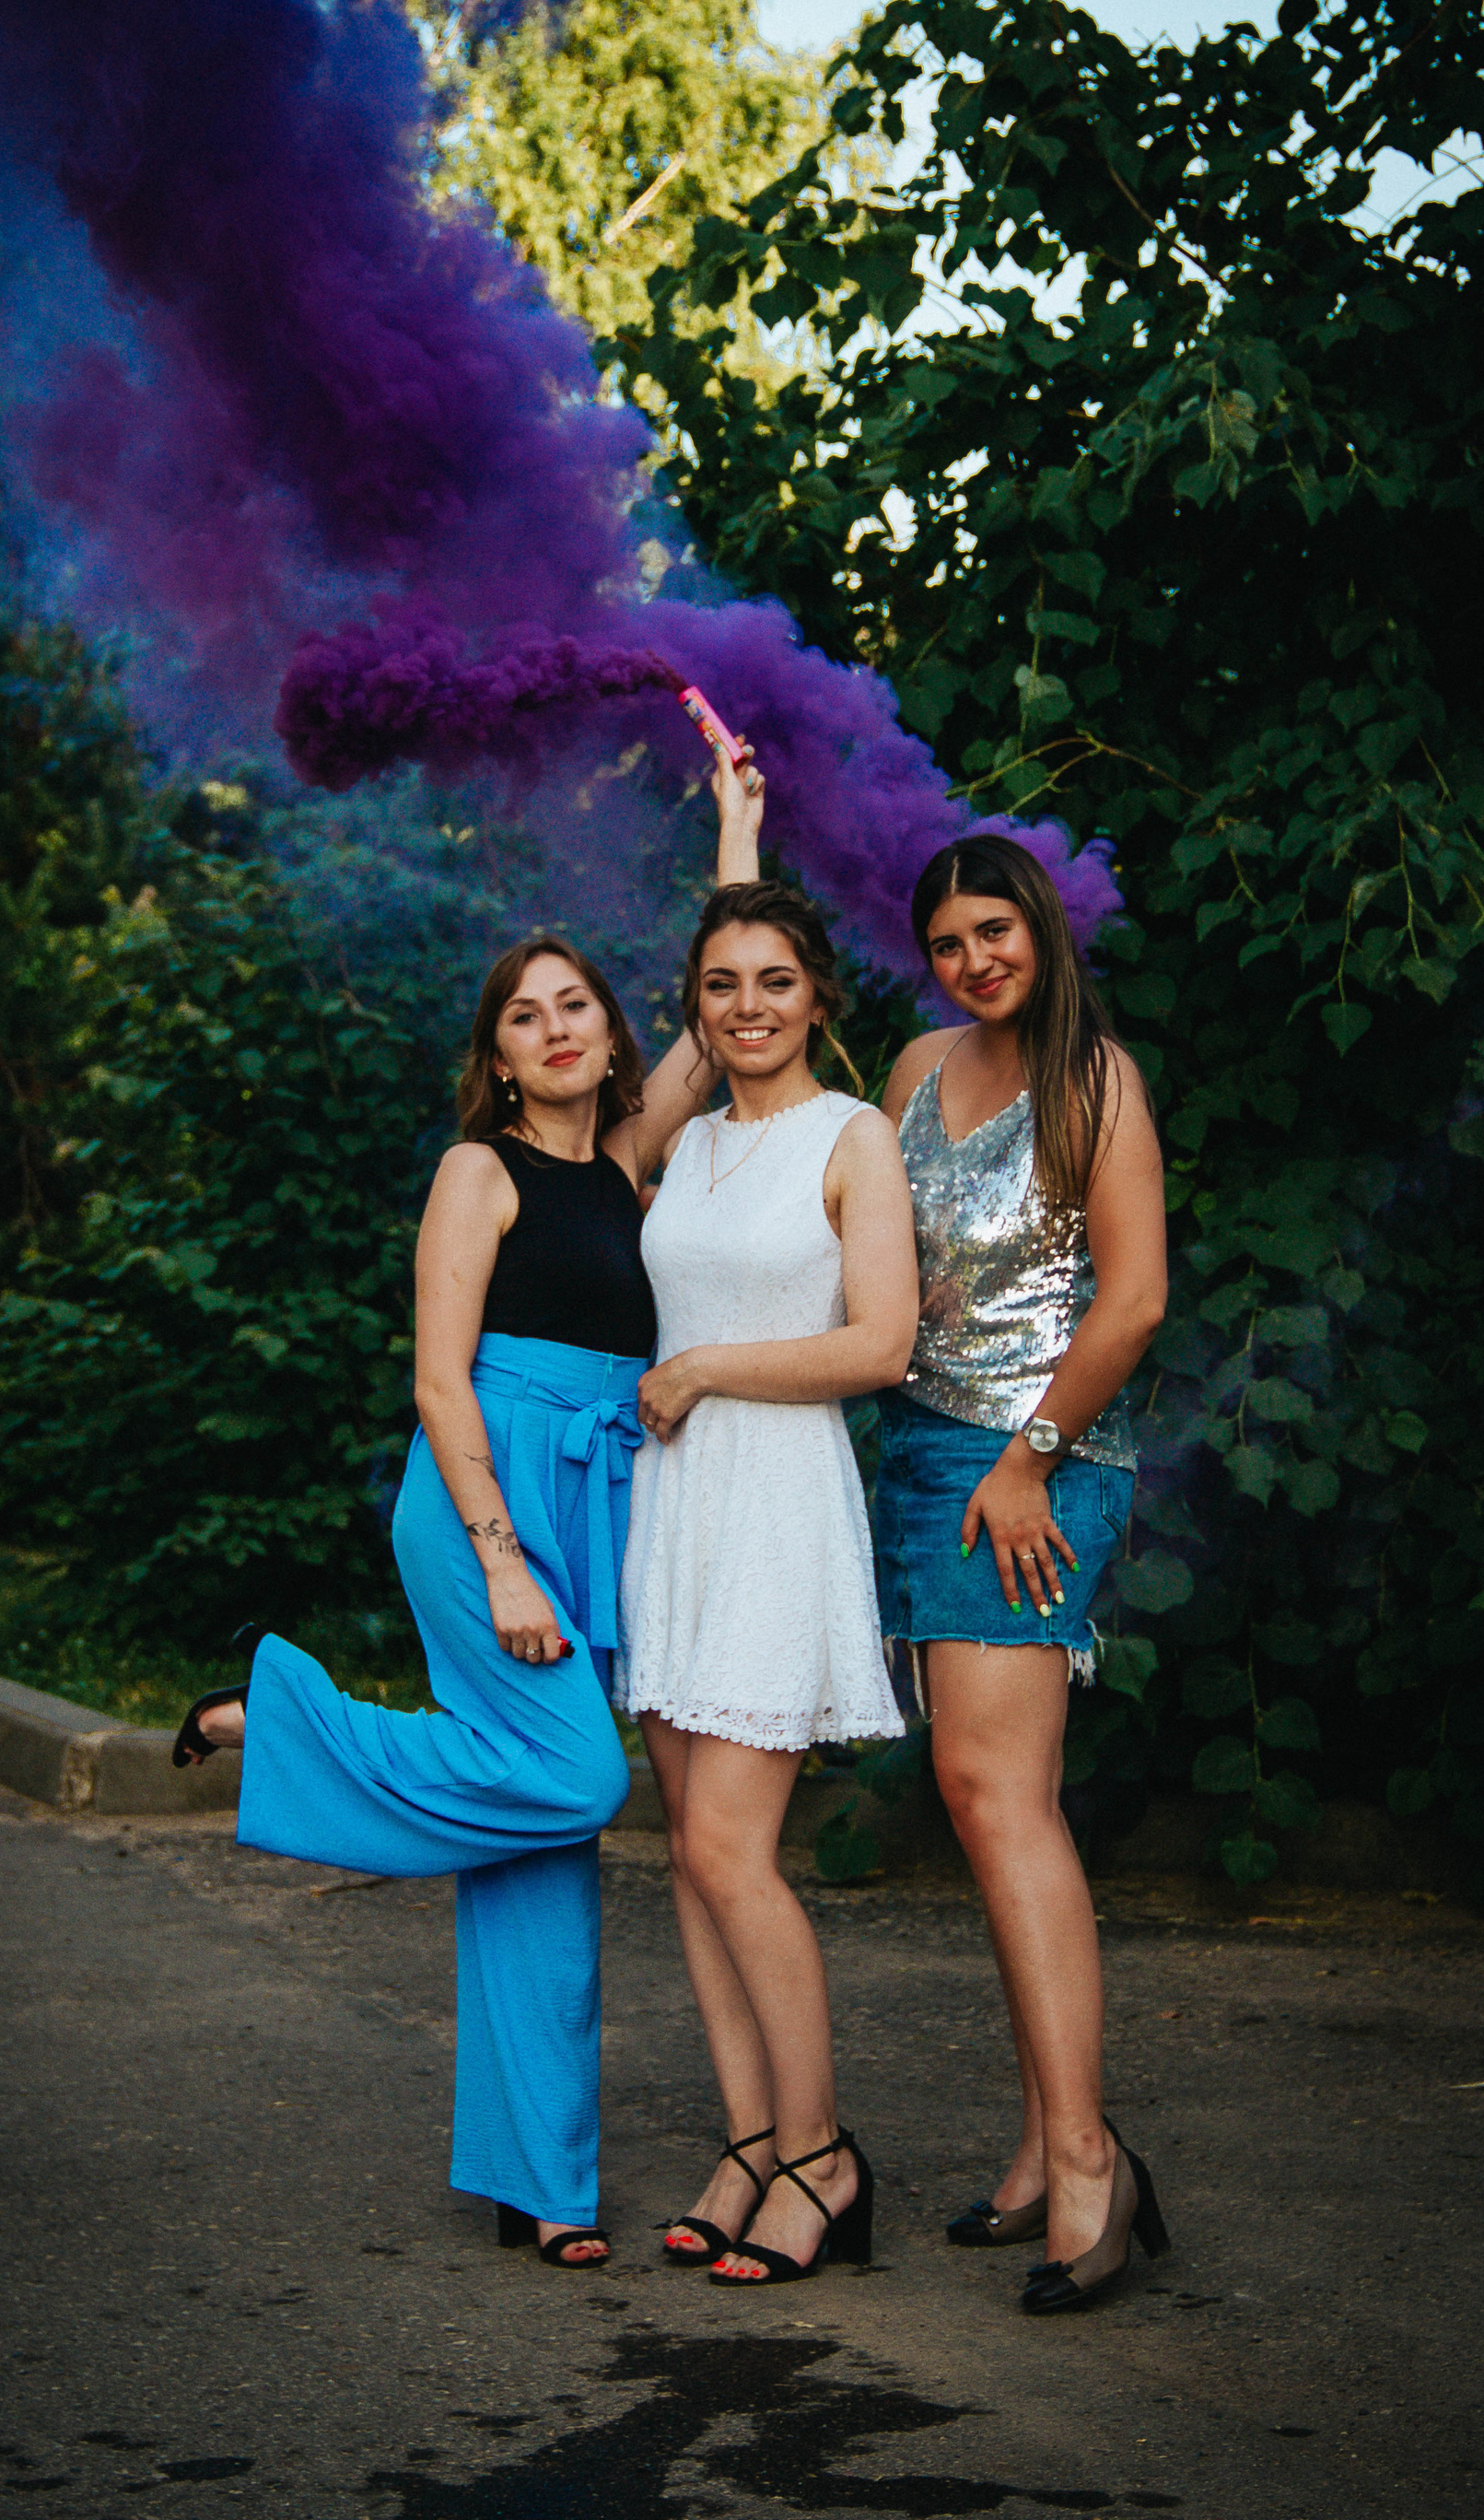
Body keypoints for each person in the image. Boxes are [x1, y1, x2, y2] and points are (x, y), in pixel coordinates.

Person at [169, 749, 765, 2268]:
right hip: (479, 1498)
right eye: (525, 1014)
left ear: (610, 1034)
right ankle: (281, 1713)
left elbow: (720, 1019)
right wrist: (502, 1559)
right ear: (498, 1058)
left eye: (577, 1006)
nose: (557, 1028)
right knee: (574, 1779)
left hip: (596, 1497)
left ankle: (539, 2182)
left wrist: (738, 829)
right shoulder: (475, 1173)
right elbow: (440, 1382)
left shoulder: (626, 1162)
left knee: (535, 1861)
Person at [874, 831, 1171, 2314]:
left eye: (994, 930)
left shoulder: (1096, 1081)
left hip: (1041, 1462)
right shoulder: (917, 1068)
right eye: (947, 941)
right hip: (922, 1455)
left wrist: (1029, 1457)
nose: (973, 960)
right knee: (982, 1802)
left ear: (1041, 928)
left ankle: (1089, 2163)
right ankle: (1053, 2137)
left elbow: (1137, 1298)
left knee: (1001, 1796)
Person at [616, 878, 919, 2286]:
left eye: (776, 981)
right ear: (695, 1003)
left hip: (778, 1505)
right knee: (690, 1849)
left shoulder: (854, 1138)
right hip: (675, 1513)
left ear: (820, 996)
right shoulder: (683, 1143)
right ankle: (748, 2143)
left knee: (735, 1851)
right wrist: (731, 840)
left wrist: (704, 1368)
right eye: (721, 982)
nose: (749, 1007)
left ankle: (820, 2157)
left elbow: (881, 1346)